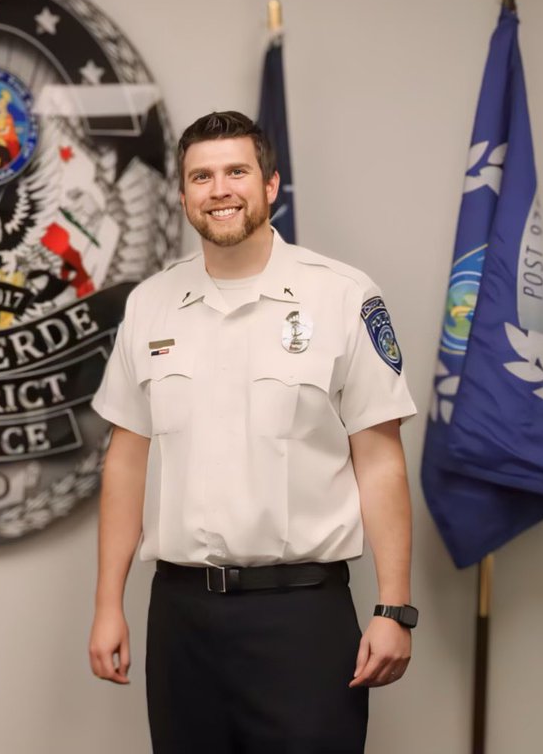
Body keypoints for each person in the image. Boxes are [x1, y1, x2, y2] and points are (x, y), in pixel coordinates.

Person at [87, 112, 417, 753]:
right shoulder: (150, 304)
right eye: (201, 176)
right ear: (182, 196)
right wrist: (107, 604)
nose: (219, 189)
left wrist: (395, 607)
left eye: (236, 171)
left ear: (270, 184)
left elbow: (380, 463)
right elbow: (126, 464)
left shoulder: (343, 297)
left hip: (302, 614)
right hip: (182, 614)